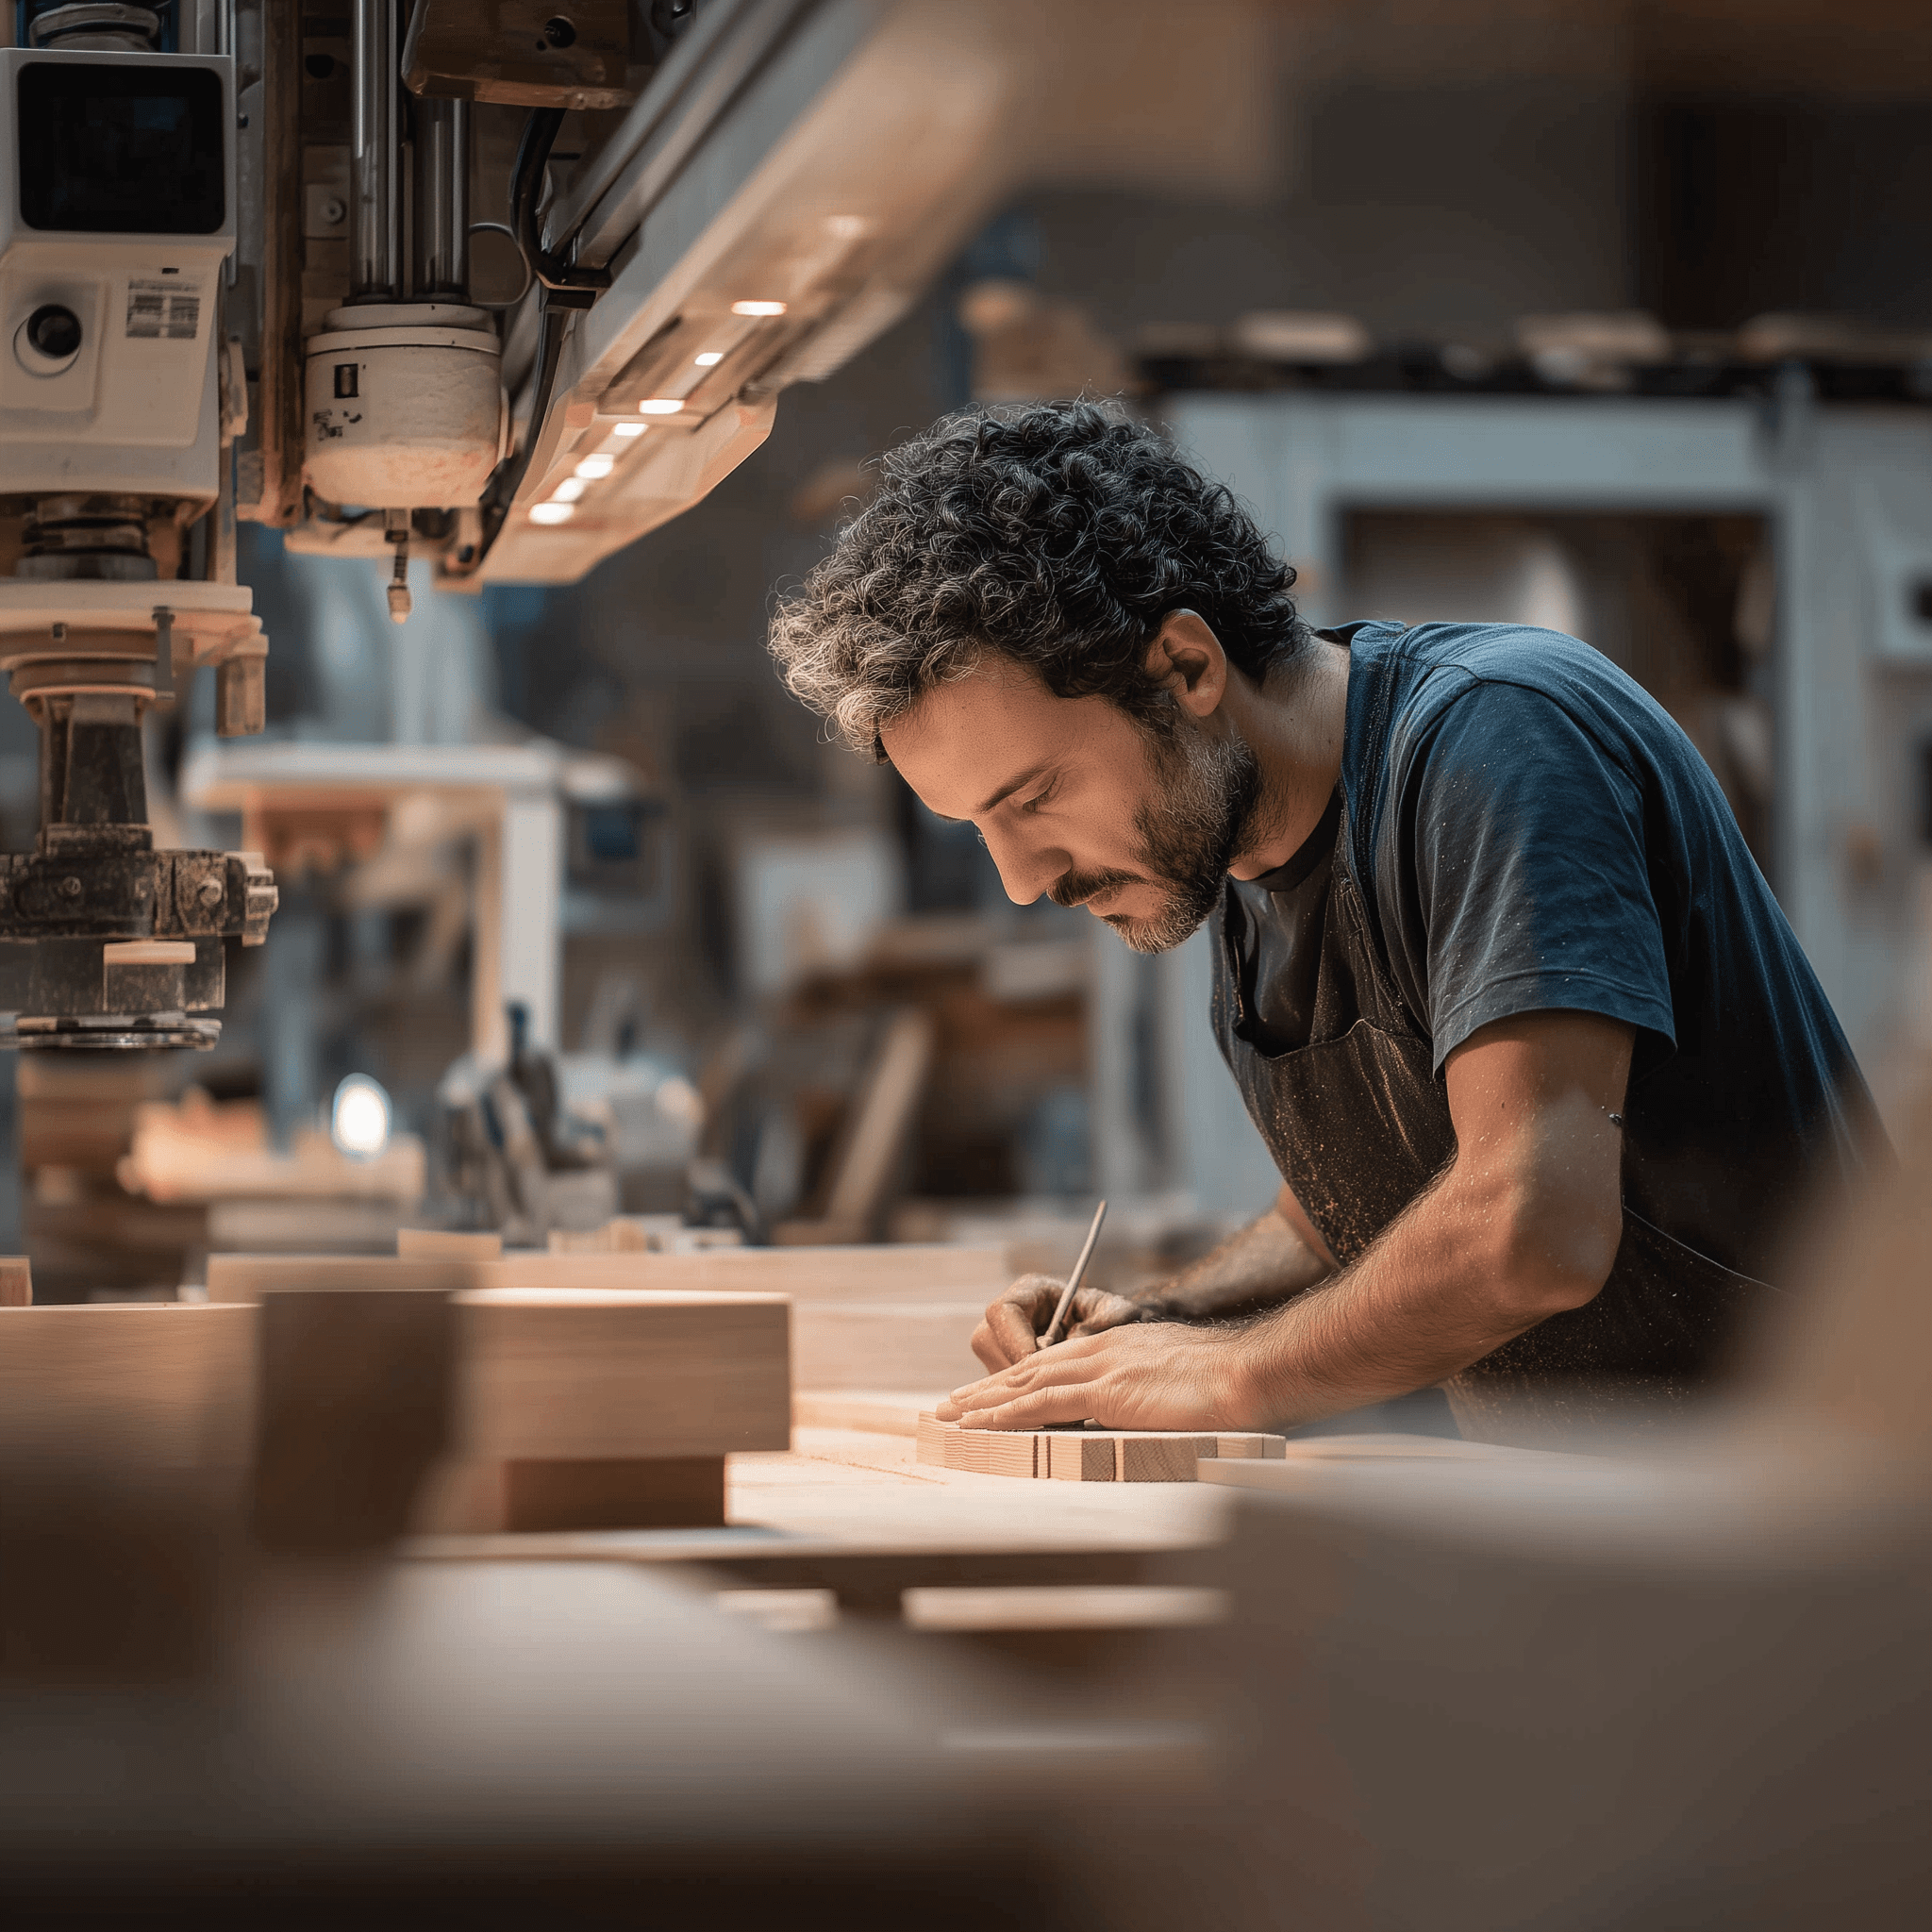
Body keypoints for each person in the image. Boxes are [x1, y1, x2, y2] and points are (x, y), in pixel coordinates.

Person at [766, 401, 1890, 1439]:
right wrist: (1151, 1321)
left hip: (1810, 1510)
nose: (1018, 878)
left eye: (1033, 796)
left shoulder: (1494, 742)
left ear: (1187, 666)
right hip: (1598, 1512)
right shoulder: (1243, 862)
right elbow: (1351, 1216)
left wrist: (1226, 1373)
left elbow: (1530, 1224)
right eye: (978, 826)